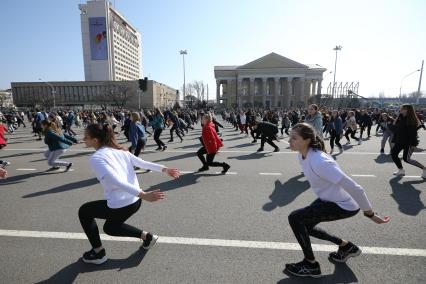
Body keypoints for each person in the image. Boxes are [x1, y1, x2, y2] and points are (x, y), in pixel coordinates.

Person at [284, 123, 390, 278]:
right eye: (290, 137)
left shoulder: (320, 162)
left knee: (295, 217)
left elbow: (356, 188)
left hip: (344, 205)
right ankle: (347, 247)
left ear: (306, 140)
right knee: (304, 225)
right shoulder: (302, 155)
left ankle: (311, 264)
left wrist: (370, 214)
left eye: (294, 138)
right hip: (328, 199)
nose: (289, 141)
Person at [79, 123, 180, 264]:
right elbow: (142, 163)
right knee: (110, 228)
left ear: (95, 140)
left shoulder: (97, 158)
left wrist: (143, 194)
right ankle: (148, 237)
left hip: (122, 204)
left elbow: (115, 180)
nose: (84, 139)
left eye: (86, 137)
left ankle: (98, 253)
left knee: (84, 212)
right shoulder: (121, 151)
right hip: (134, 202)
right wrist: (164, 169)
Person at [390, 104, 426, 178]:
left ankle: (424, 169)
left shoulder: (411, 119)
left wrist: (413, 145)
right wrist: (398, 116)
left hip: (408, 142)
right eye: (401, 108)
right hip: (399, 141)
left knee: (406, 159)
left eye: (403, 109)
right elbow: (394, 124)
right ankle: (401, 170)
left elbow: (413, 134)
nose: (401, 109)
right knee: (393, 154)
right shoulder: (400, 116)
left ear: (408, 110)